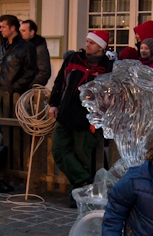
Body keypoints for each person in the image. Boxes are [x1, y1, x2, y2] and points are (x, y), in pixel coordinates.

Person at [49, 30, 114, 205]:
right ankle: (84, 181)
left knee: (82, 155)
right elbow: (59, 83)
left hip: (86, 119)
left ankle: (78, 194)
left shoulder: (108, 67)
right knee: (58, 149)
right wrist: (54, 103)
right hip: (66, 113)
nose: (87, 45)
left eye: (91, 43)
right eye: (86, 41)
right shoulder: (73, 59)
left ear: (100, 47)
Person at [0, 14, 37, 96]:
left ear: (13, 28)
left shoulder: (26, 47)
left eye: (3, 27)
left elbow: (30, 73)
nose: (0, 30)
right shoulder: (2, 48)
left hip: (15, 96)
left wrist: (13, 88)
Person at [20, 19, 51, 86]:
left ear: (32, 32)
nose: (21, 33)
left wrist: (30, 86)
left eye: (23, 31)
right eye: (20, 31)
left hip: (30, 89)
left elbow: (44, 72)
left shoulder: (39, 48)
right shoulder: (22, 46)